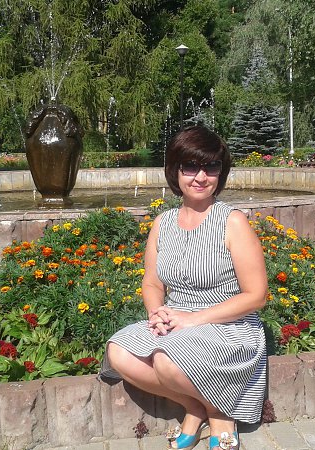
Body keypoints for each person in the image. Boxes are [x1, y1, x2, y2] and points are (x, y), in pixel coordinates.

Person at [100, 125, 268, 450]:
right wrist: (156, 312)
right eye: (190, 166)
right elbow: (152, 282)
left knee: (166, 360)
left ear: (221, 172)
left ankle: (221, 413)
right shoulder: (162, 223)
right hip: (178, 320)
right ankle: (196, 405)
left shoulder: (232, 221)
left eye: (211, 167)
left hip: (228, 326)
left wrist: (194, 319)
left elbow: (256, 296)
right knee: (118, 351)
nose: (201, 177)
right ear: (175, 171)